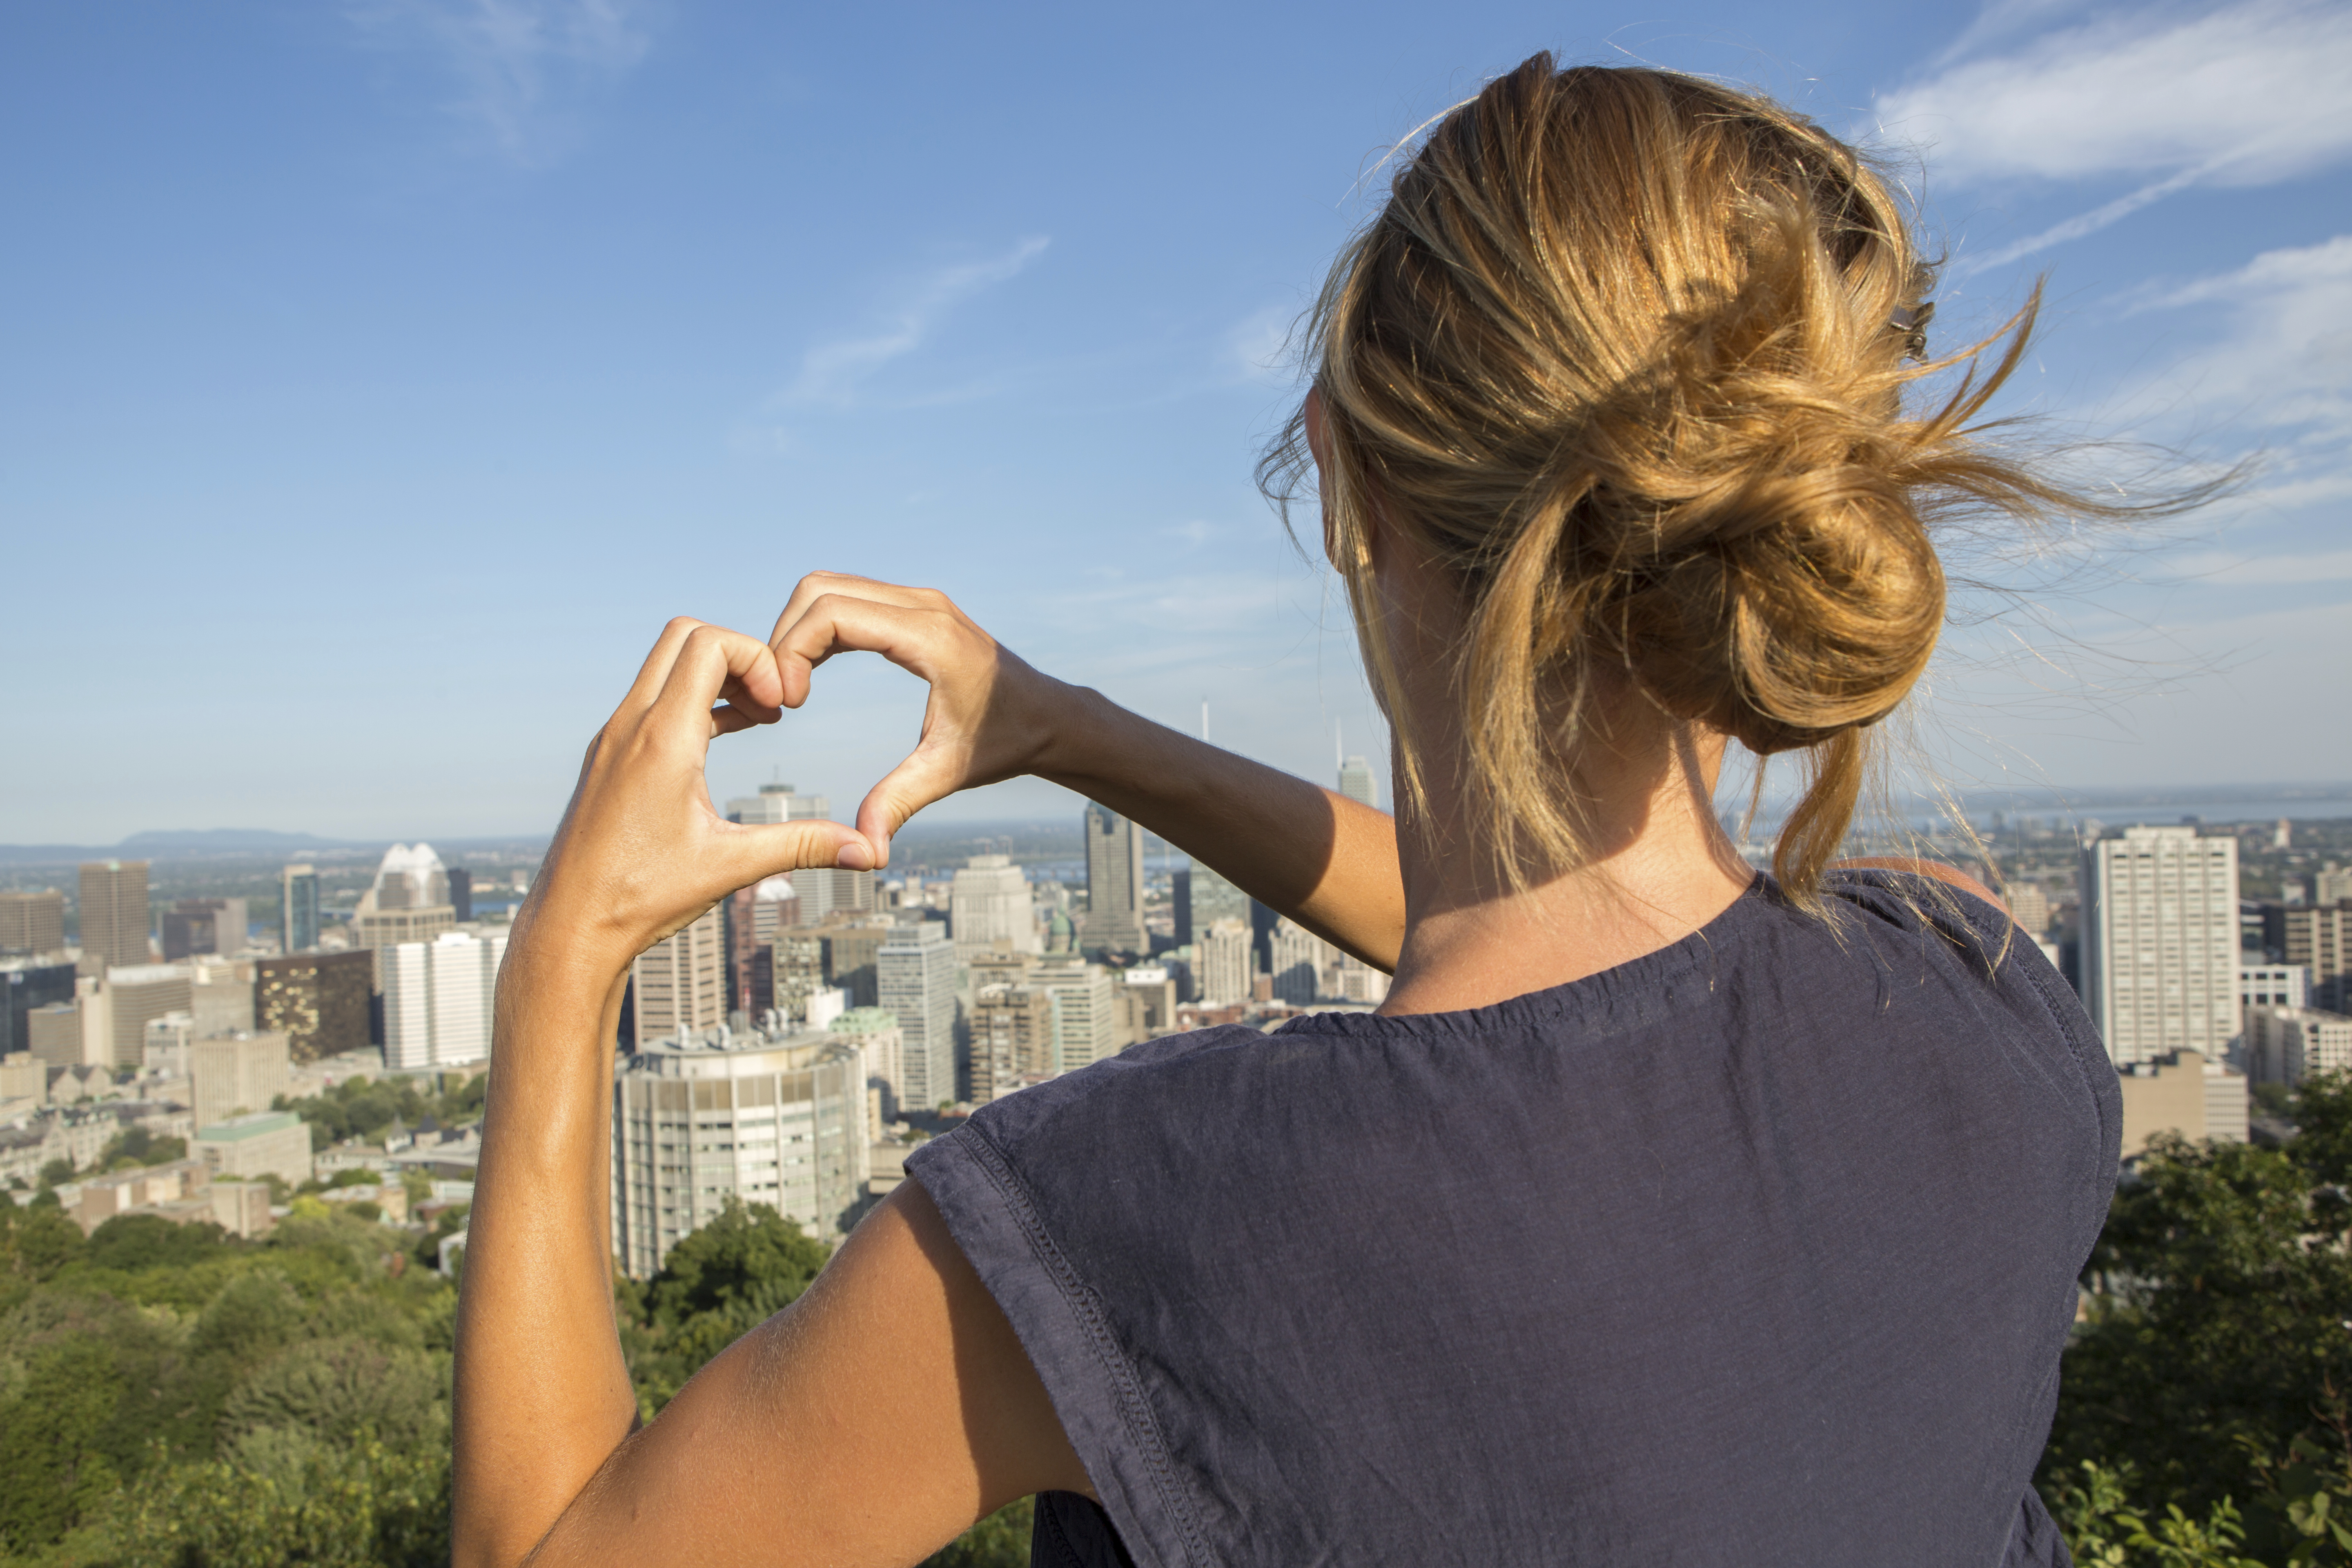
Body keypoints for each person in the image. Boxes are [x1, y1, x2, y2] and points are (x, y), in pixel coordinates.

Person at [452, 56, 2120, 1568]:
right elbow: (1561, 998)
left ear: (1340, 476)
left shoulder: (1129, 1217)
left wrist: (565, 959)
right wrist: (1066, 731)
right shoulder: (1979, 988)